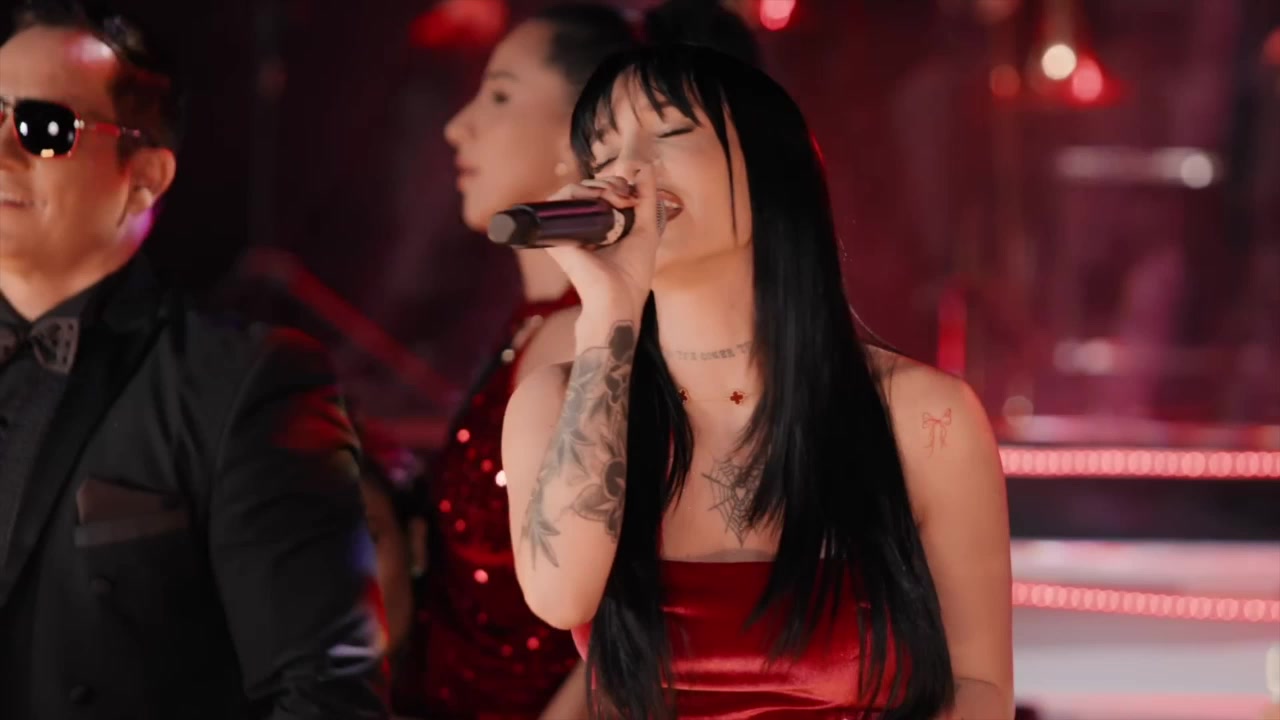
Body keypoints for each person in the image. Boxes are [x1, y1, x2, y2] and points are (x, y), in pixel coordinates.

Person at [501, 44, 1014, 720]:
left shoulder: (922, 416)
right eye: (603, 151)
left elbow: (979, 687)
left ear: (770, 169)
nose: (626, 169)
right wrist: (607, 314)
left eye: (669, 131)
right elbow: (559, 596)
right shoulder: (554, 403)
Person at [0, 3, 388, 718]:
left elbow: (324, 694)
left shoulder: (243, 381)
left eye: (42, 127)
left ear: (144, 177)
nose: (2, 149)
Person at [414, 2, 760, 718]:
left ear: (581, 133)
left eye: (500, 96)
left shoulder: (603, 341)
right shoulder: (533, 328)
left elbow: (639, 615)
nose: (458, 126)